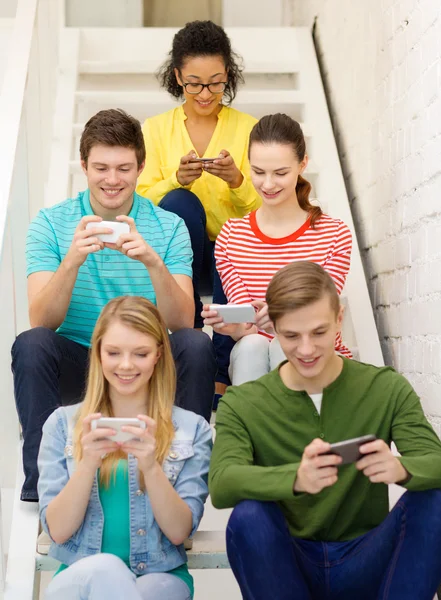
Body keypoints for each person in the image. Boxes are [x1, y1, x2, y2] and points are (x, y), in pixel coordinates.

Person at [11, 108, 216, 502]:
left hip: (145, 359)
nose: (112, 180)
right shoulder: (50, 224)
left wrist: (153, 262)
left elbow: (182, 321)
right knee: (31, 343)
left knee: (196, 344)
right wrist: (72, 260)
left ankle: (183, 490)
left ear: (141, 167)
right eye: (101, 167)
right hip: (82, 363)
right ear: (84, 166)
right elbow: (42, 320)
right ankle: (43, 495)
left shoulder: (168, 226)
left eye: (123, 168)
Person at [209, 261, 441, 600]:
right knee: (249, 516)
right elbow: (222, 484)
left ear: (339, 319)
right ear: (273, 329)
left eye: (319, 332)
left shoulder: (385, 387)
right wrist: (296, 479)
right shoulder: (243, 402)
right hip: (290, 562)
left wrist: (401, 468)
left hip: (368, 556)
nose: (306, 349)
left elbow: (434, 461)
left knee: (434, 499)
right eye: (291, 335)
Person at [39, 296, 212, 600]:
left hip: (160, 576)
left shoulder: (191, 428)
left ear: (159, 355)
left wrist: (150, 467)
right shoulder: (62, 425)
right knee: (105, 569)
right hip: (79, 577)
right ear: (98, 354)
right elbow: (58, 531)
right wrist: (89, 462)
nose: (126, 365)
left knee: (141, 589)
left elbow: (179, 533)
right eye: (114, 353)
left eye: (140, 353)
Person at [136, 20, 261, 396]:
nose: (205, 93)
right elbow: (140, 200)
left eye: (216, 82)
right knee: (180, 202)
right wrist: (177, 179)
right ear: (177, 77)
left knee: (232, 232)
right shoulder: (155, 130)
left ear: (229, 76)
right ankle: (189, 332)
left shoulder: (249, 128)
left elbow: (262, 207)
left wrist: (238, 180)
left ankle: (221, 372)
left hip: (231, 257)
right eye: (194, 83)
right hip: (178, 257)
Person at [203, 114, 352, 385]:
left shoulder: (334, 234)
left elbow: (321, 314)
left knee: (280, 345)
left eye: (280, 173)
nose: (268, 184)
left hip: (318, 358)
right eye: (259, 172)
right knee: (252, 346)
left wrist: (282, 319)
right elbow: (247, 331)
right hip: (254, 358)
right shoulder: (231, 236)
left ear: (302, 164)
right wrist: (233, 326)